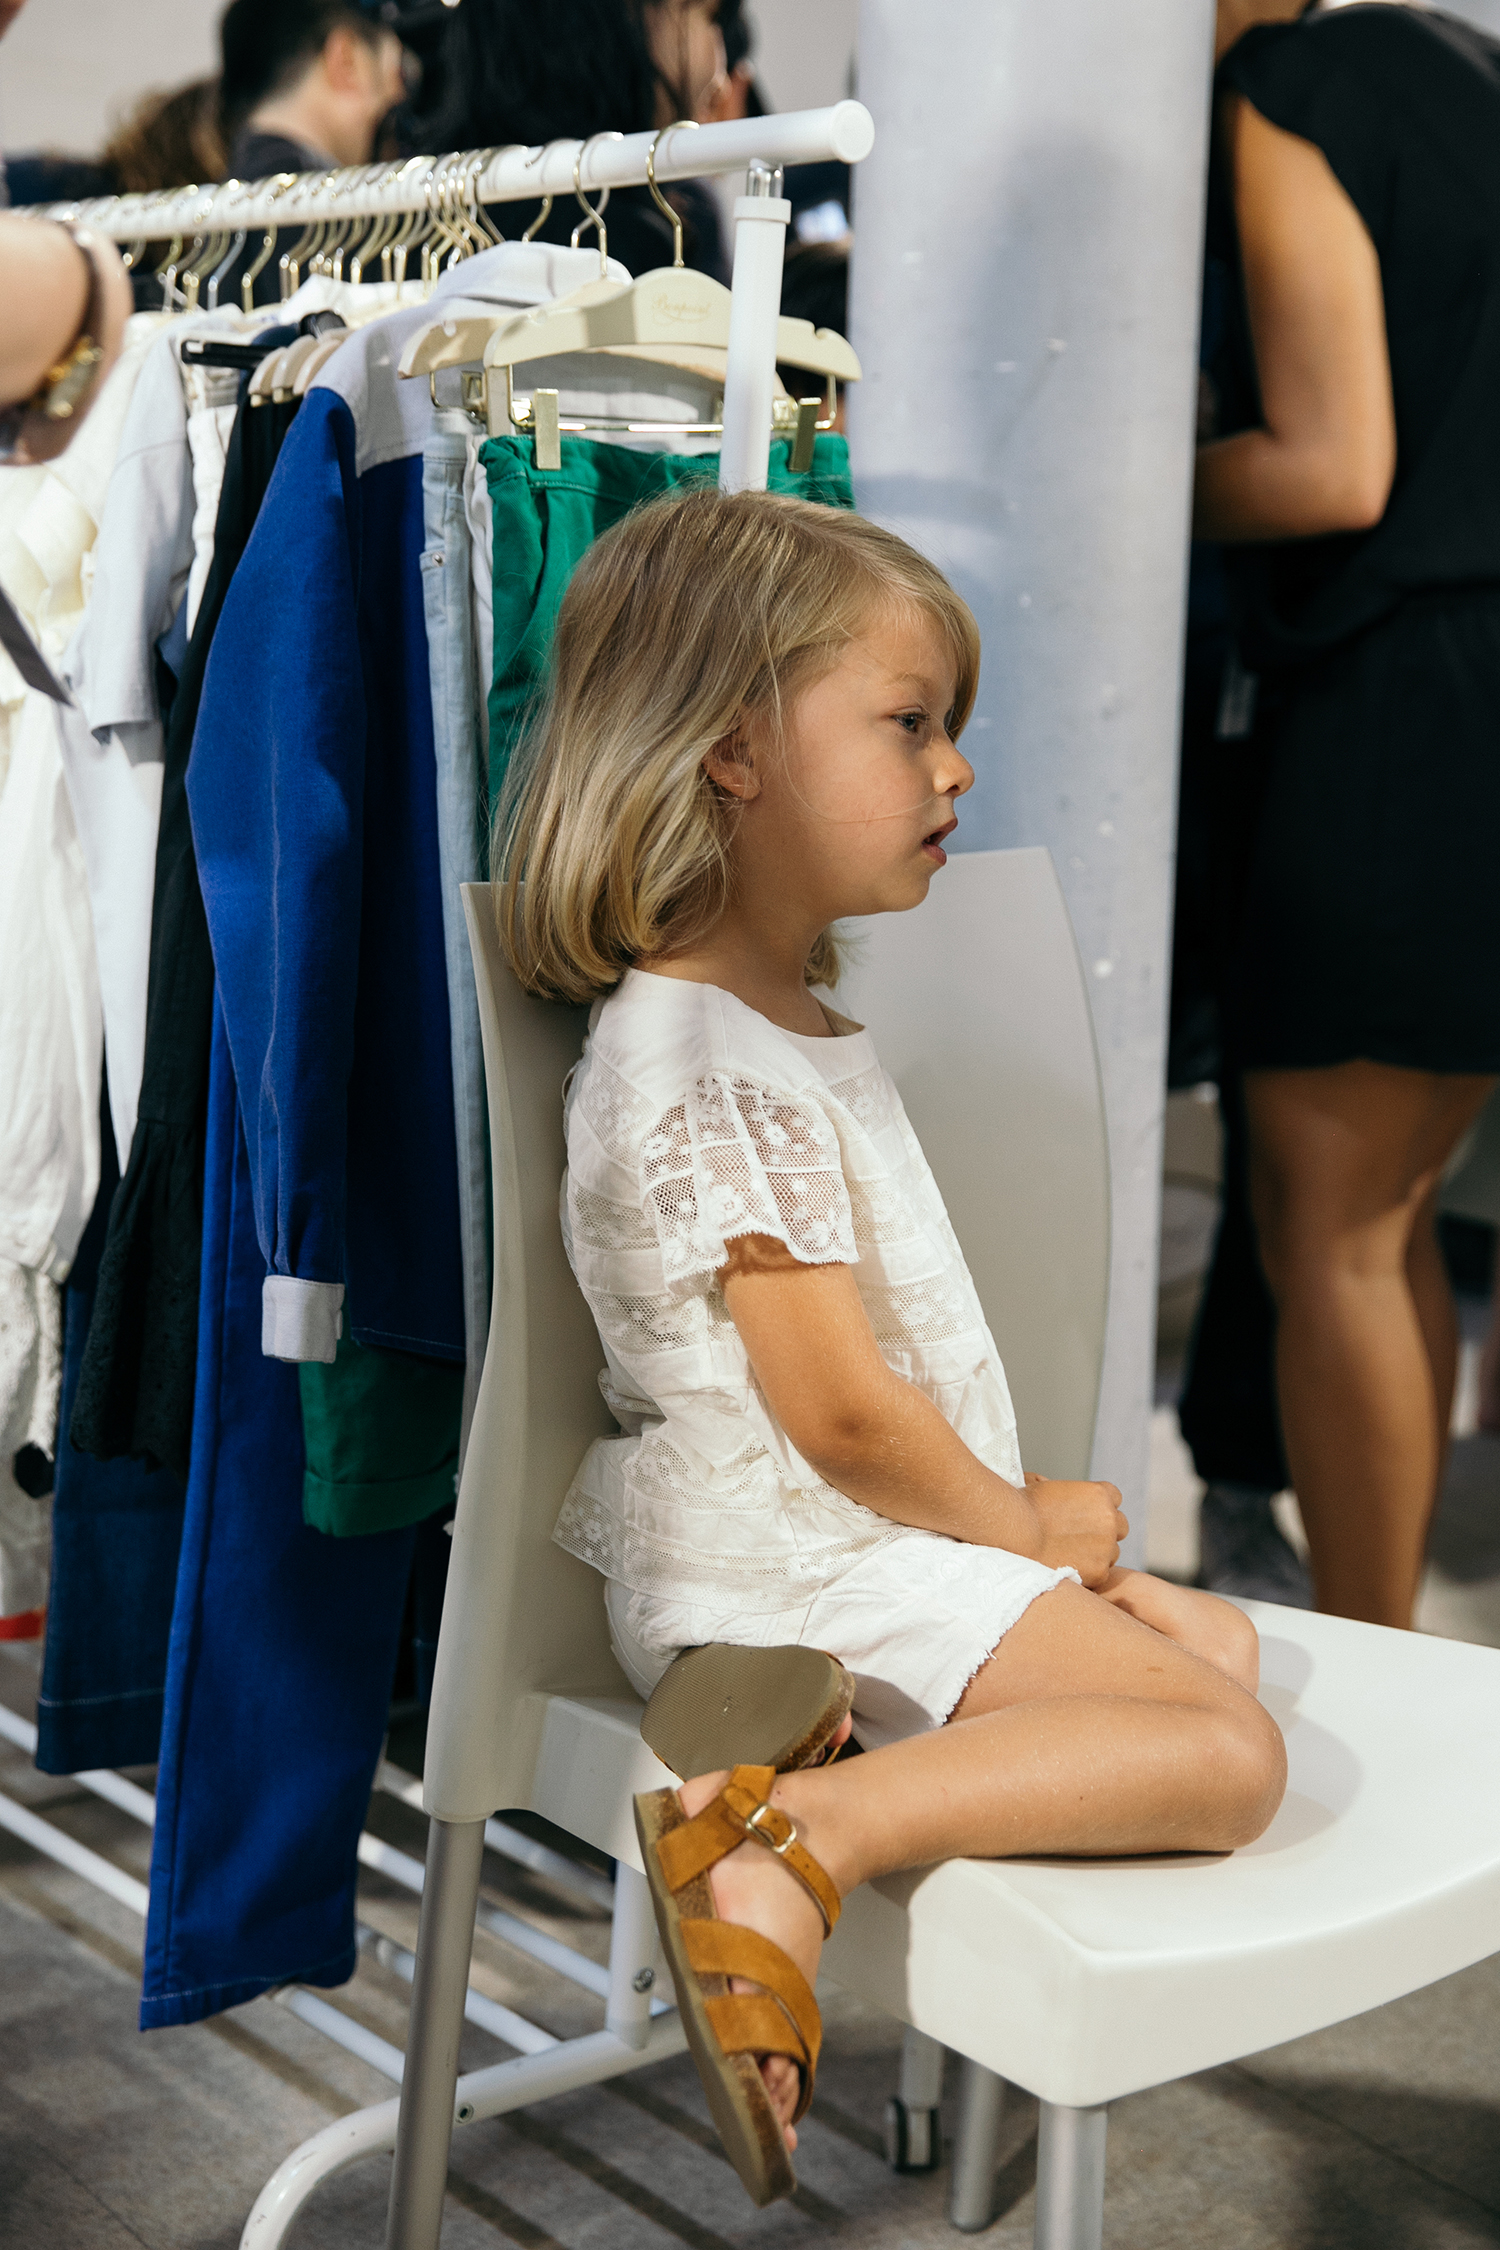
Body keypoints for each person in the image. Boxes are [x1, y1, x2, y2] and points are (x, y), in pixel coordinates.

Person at [495, 487, 1286, 2203]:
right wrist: (1029, 1532)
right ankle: (793, 1836)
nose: (958, 771)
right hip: (803, 1563)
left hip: (837, 1561)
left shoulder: (764, 1025)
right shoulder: (699, 1054)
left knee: (1214, 1653)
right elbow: (843, 1415)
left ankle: (807, 1744)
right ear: (729, 751)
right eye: (912, 722)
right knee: (1229, 1755)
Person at [1197, 0, 1500, 1628]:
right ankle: (1411, 1670)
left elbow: (1332, 464)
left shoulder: (1281, 91)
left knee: (1330, 1227)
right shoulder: (1455, 63)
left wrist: (1125, 472)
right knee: (1386, 1220)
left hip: (1408, 703)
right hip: (1467, 683)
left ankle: (1382, 1667)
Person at [406, 0, 732, 279]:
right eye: (710, 16)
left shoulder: (412, 225)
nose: (720, 73)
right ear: (623, 18)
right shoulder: (624, 249)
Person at [218, 0, 407, 179]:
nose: (399, 96)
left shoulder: (214, 200)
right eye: (397, 74)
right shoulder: (344, 207)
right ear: (346, 62)